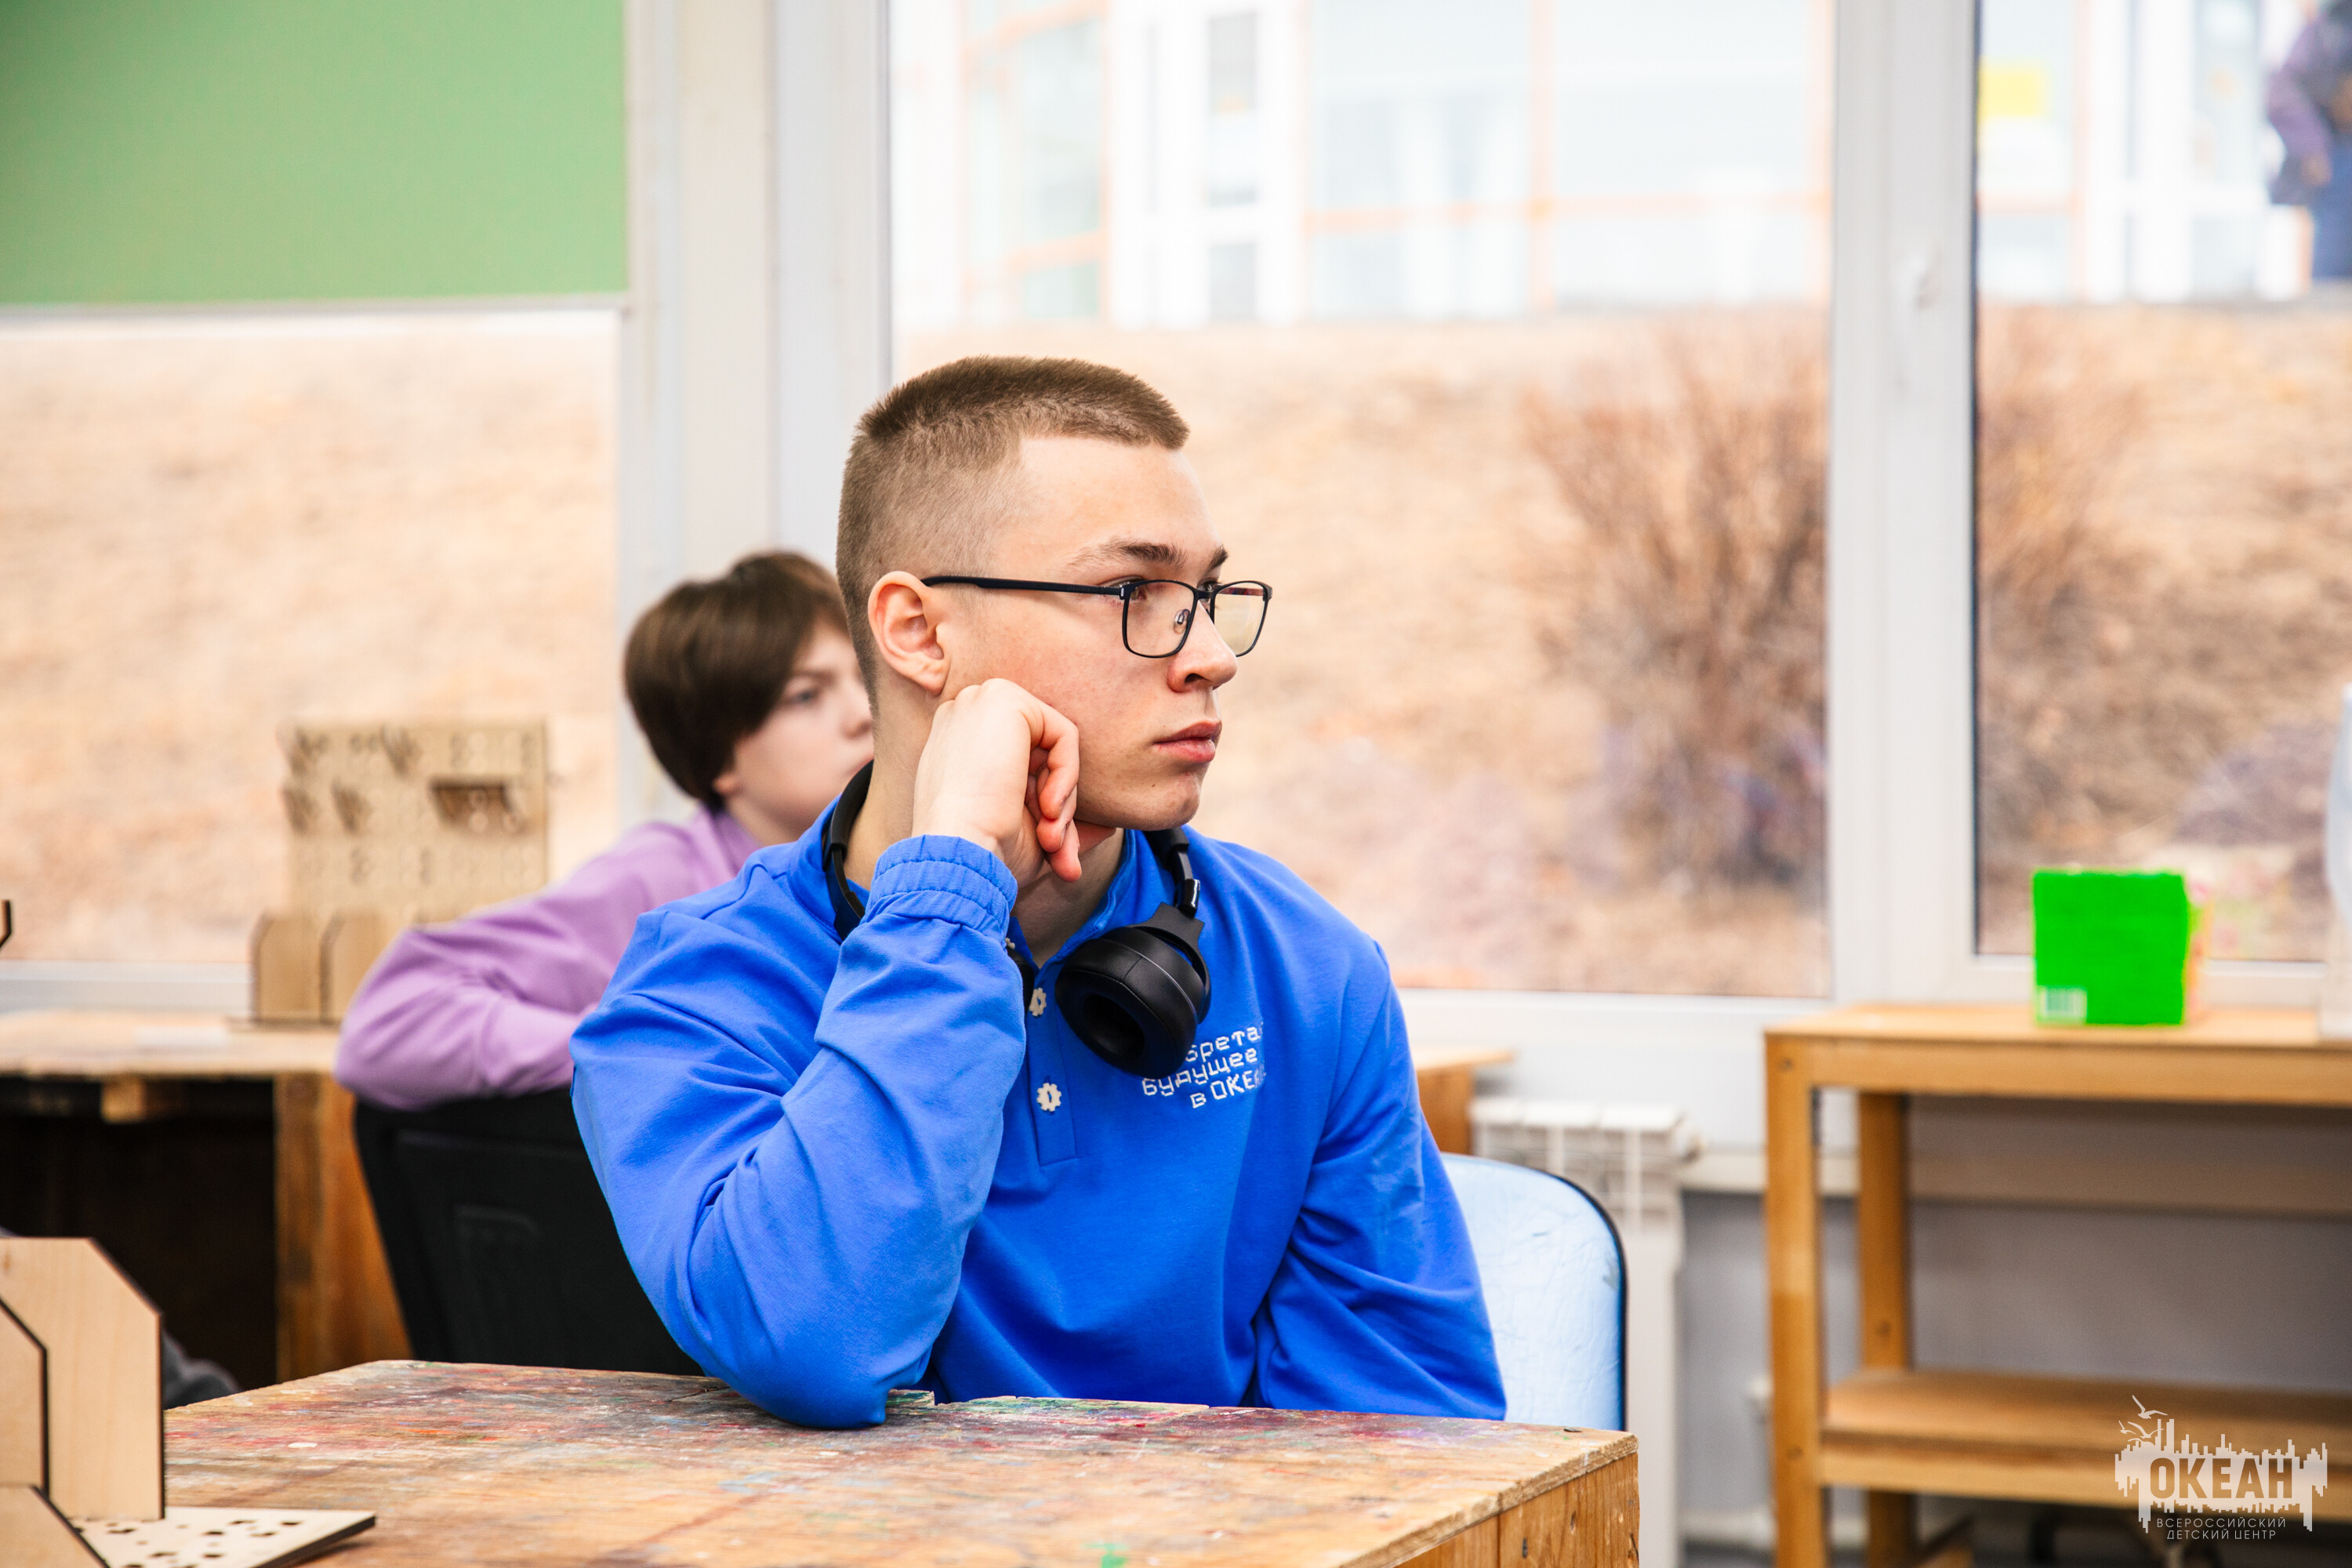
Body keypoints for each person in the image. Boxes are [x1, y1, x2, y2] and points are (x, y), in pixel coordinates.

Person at [570, 358, 1504, 1428]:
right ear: (919, 632)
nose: (1209, 656)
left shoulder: (1306, 966)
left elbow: (1403, 1437)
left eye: (1203, 597)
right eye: (1132, 593)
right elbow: (815, 1345)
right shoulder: (698, 987)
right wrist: (951, 884)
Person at [336, 551, 873, 1111]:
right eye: (805, 696)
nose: (863, 712)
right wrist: (624, 1048)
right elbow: (390, 1019)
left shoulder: (900, 864)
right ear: (719, 756)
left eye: (866, 676)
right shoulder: (661, 883)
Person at [2268, 0, 2352, 279]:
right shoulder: (2333, 26)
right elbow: (2281, 93)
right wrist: (2313, 147)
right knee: (2334, 284)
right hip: (2341, 160)